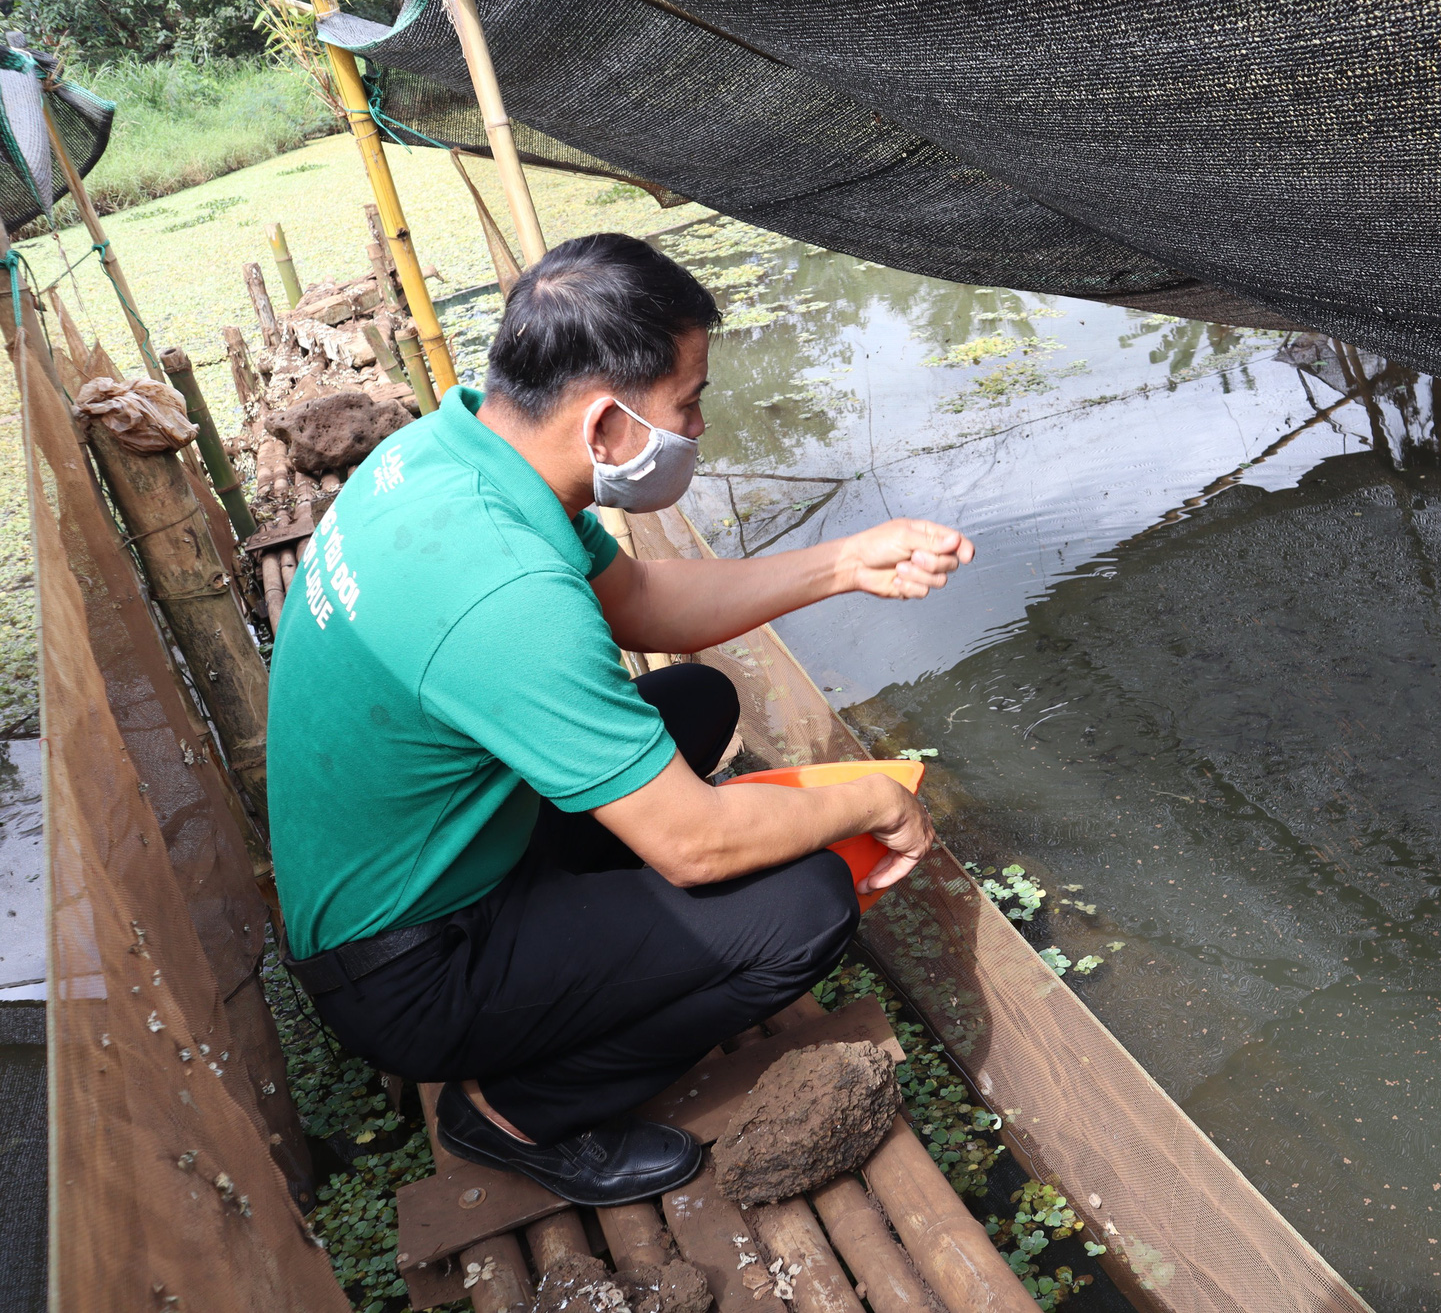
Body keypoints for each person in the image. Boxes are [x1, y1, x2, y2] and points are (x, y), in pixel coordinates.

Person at [266, 232, 974, 1206]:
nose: (699, 423)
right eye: (688, 403)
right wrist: (868, 801)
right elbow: (691, 844)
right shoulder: (506, 592)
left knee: (697, 699)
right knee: (806, 909)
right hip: (411, 972)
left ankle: (583, 937)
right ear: (605, 425)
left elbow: (635, 599)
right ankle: (518, 1112)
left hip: (414, 861)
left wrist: (840, 561)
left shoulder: (448, 452)